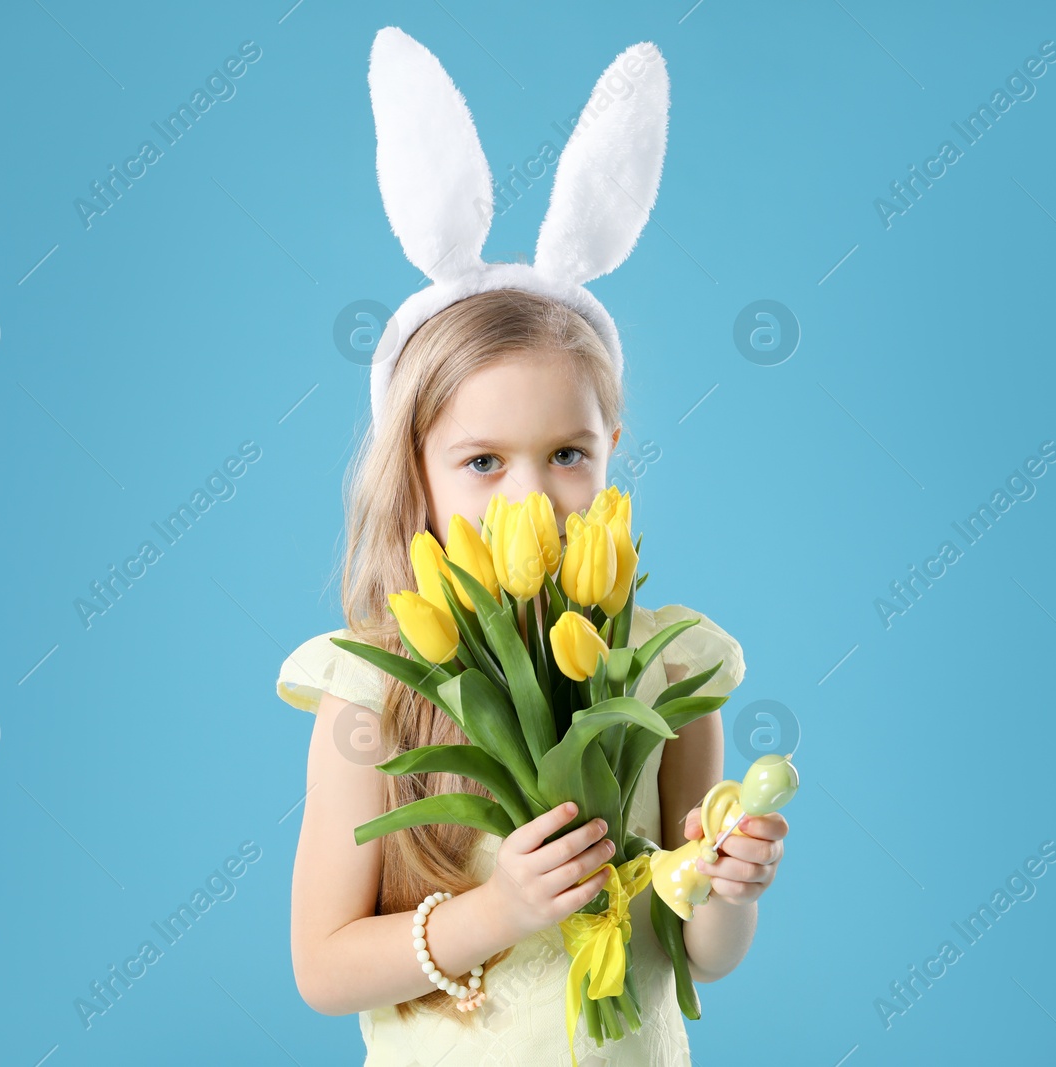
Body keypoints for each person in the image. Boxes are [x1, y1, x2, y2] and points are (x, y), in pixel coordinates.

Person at [275, 28, 790, 1066]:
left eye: (564, 452)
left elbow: (704, 951)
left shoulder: (668, 667)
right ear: (413, 470)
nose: (532, 497)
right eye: (481, 462)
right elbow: (322, 965)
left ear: (611, 452)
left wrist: (727, 885)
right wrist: (493, 910)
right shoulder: (374, 685)